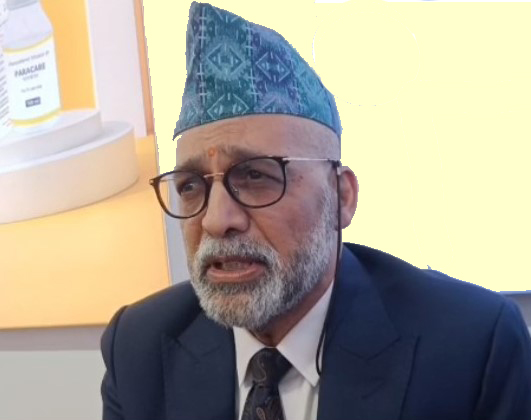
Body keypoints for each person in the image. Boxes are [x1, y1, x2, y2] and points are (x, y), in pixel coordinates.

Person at [100, 2, 531, 419]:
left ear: (342, 196)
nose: (216, 220)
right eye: (191, 186)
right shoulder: (140, 347)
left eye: (255, 176)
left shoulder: (471, 347)